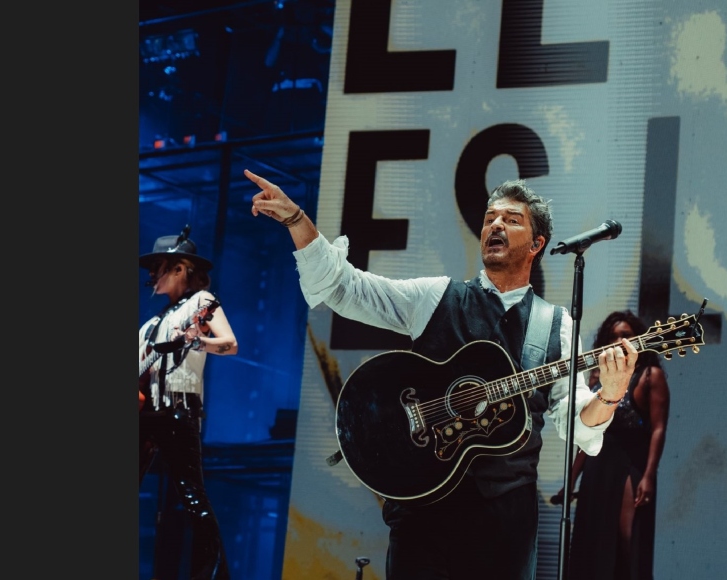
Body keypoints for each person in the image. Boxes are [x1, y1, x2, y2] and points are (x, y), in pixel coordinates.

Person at [246, 168, 640, 580]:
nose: (495, 225)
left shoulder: (556, 326)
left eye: (511, 219)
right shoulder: (437, 297)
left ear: (536, 244)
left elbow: (578, 424)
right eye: (490, 218)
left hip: (505, 520)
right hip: (424, 510)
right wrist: (297, 221)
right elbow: (347, 288)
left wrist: (610, 394)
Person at [138, 227, 239, 580]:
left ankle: (212, 576)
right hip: (146, 414)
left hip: (179, 414)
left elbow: (230, 343)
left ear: (181, 268)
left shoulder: (201, 303)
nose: (151, 275)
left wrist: (197, 341)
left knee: (193, 498)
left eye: (159, 266)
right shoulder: (150, 326)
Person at [552, 310, 671, 580]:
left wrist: (649, 476)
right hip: (598, 467)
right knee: (593, 546)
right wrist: (570, 480)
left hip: (630, 466)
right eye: (613, 336)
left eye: (626, 336)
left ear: (638, 339)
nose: (618, 341)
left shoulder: (650, 375)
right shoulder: (597, 380)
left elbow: (659, 428)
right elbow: (589, 436)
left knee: (628, 544)